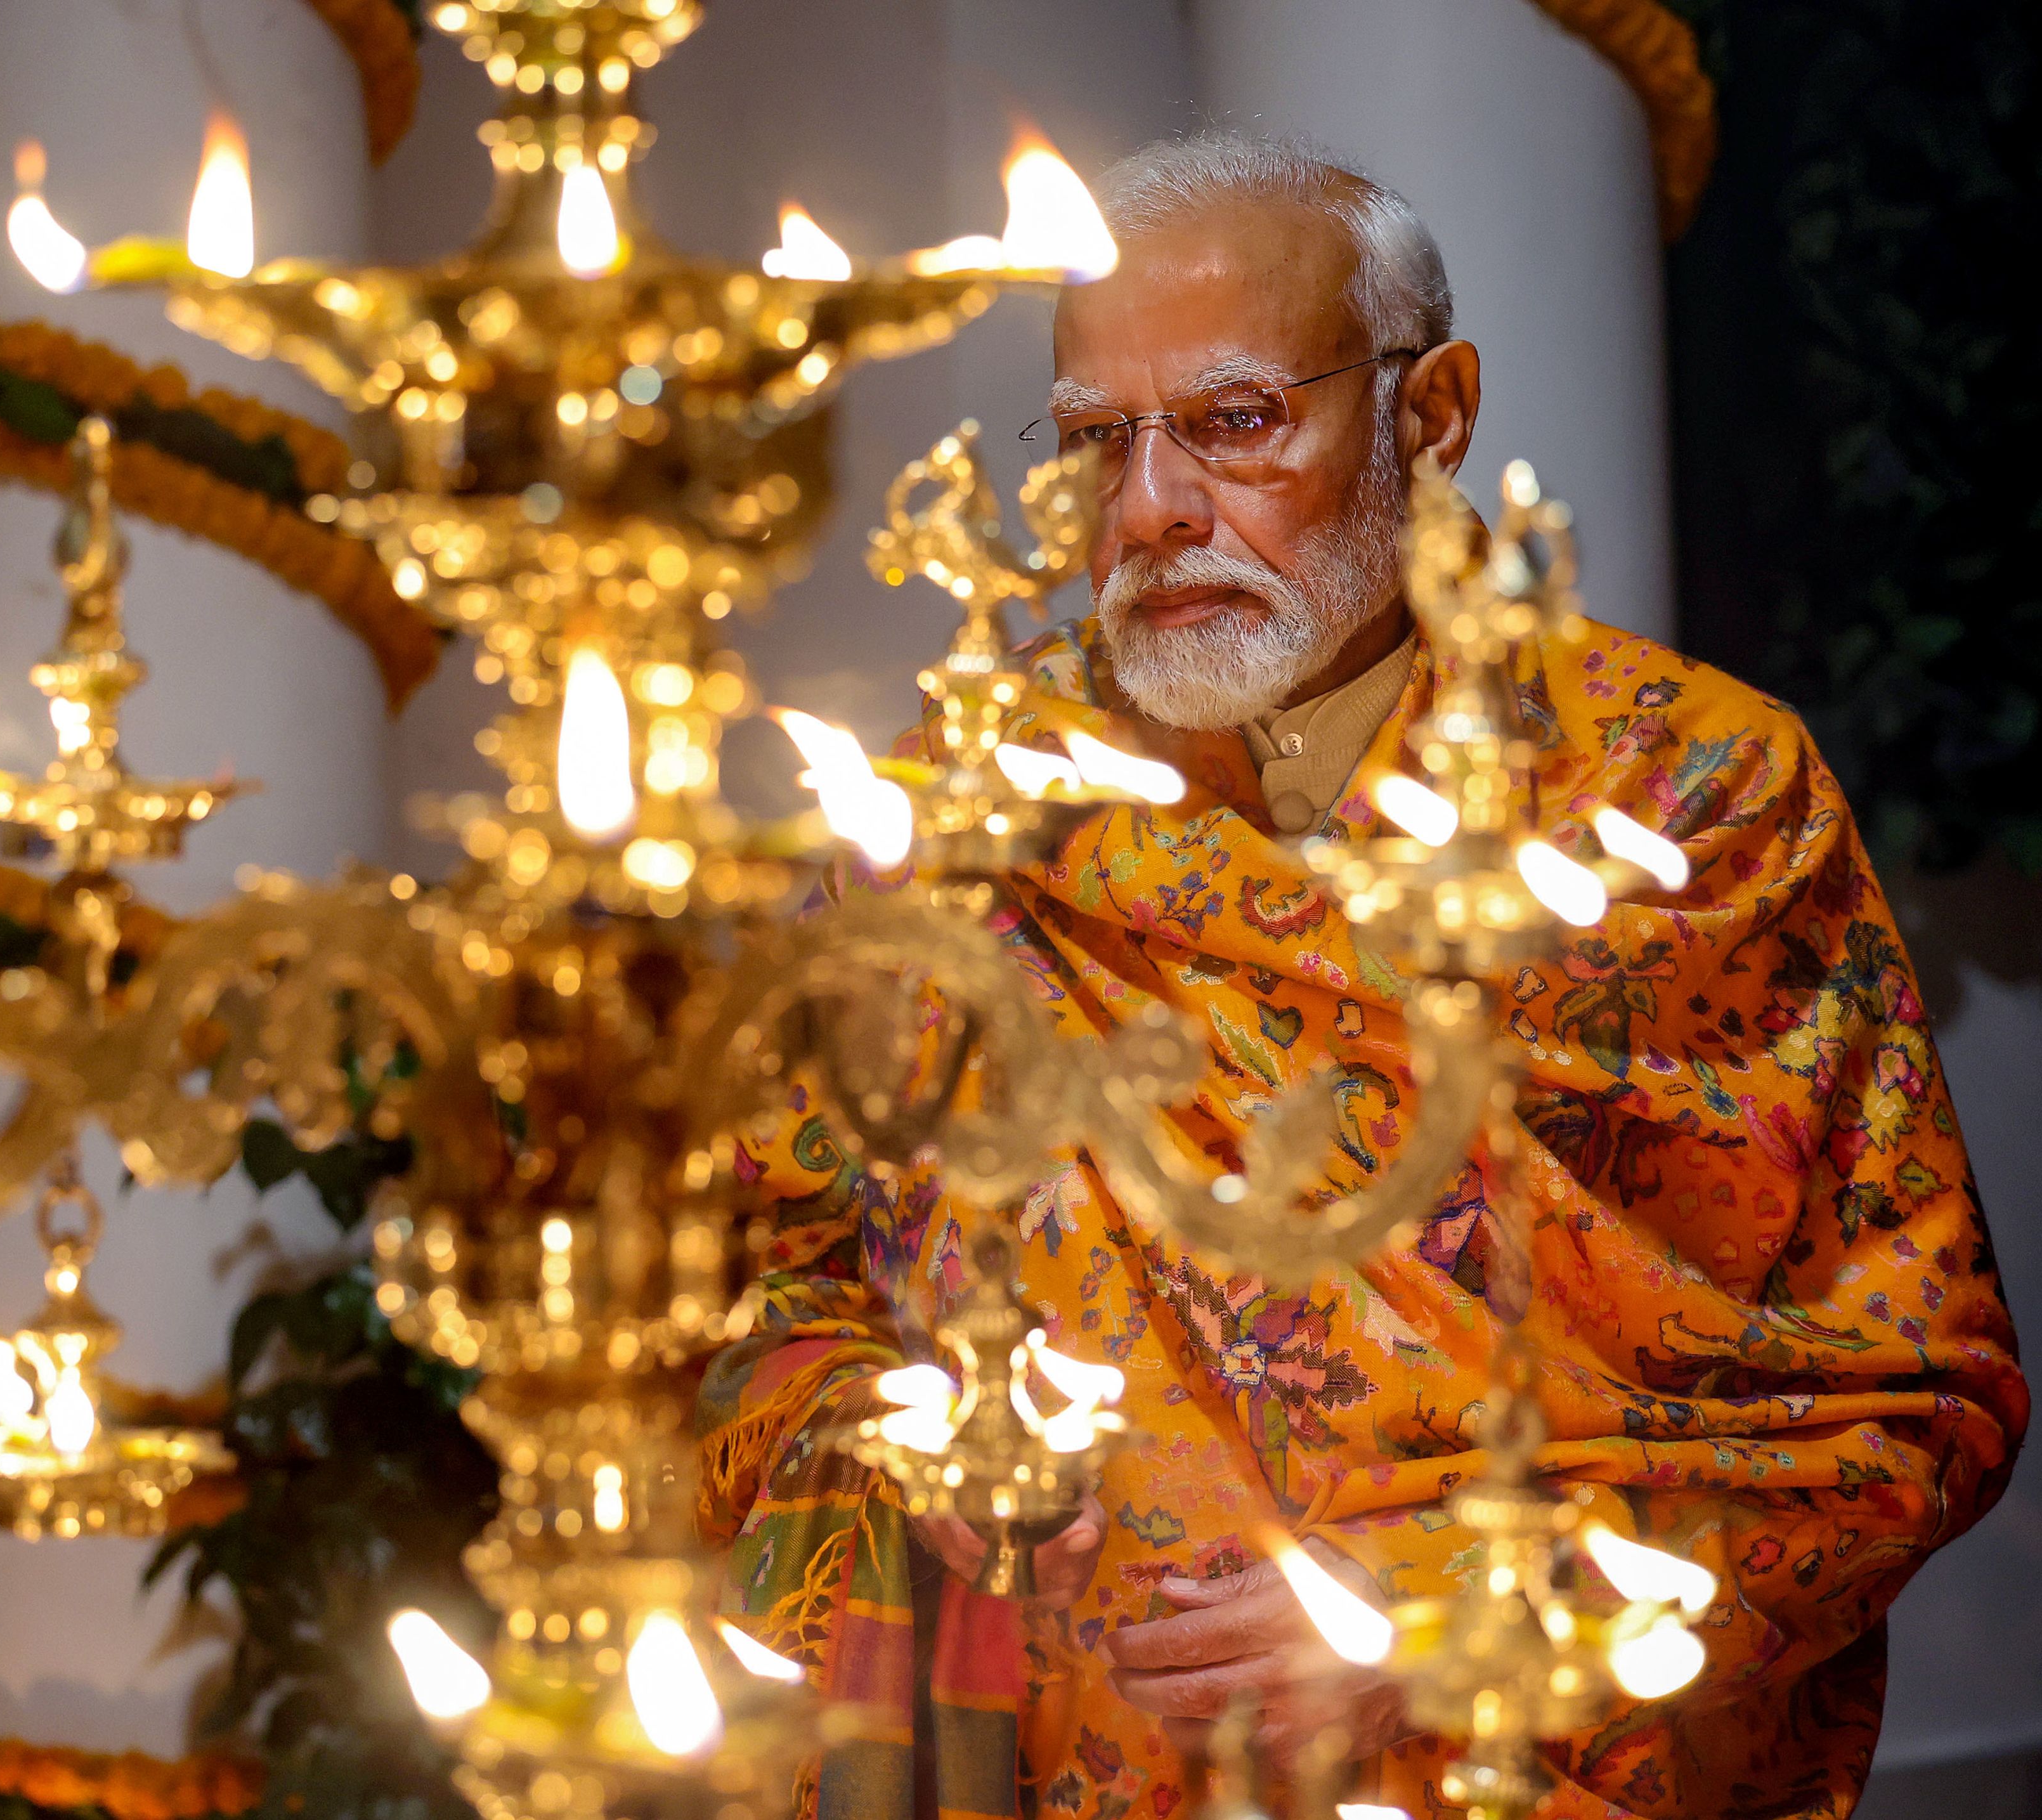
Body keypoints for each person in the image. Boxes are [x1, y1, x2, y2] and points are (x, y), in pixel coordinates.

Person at [696, 133, 2026, 1820]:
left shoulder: (1685, 802)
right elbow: (756, 1317)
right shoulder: (951, 826)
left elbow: (1907, 1406)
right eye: (1097, 440)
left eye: (1238, 423)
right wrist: (900, 1452)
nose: (1153, 509)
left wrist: (1452, 1617)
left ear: (1432, 414)